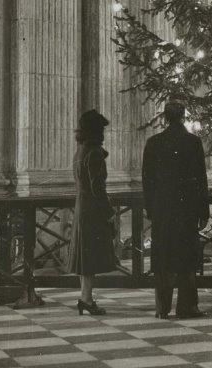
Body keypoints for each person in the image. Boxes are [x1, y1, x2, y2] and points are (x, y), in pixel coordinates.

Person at [142, 101, 209, 319]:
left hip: (162, 209)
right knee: (186, 258)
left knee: (162, 258)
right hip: (186, 209)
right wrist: (203, 211)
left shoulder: (153, 143)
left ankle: (162, 307)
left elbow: (147, 180)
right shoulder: (193, 142)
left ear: (165, 118)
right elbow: (200, 180)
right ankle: (187, 306)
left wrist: (150, 208)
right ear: (183, 117)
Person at [67, 109, 117, 315]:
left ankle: (84, 297)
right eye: (102, 129)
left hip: (82, 207)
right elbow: (98, 187)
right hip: (93, 210)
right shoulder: (94, 153)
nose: (104, 133)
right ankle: (86, 299)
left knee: (84, 256)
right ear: (96, 130)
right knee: (90, 257)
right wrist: (109, 212)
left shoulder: (80, 151)